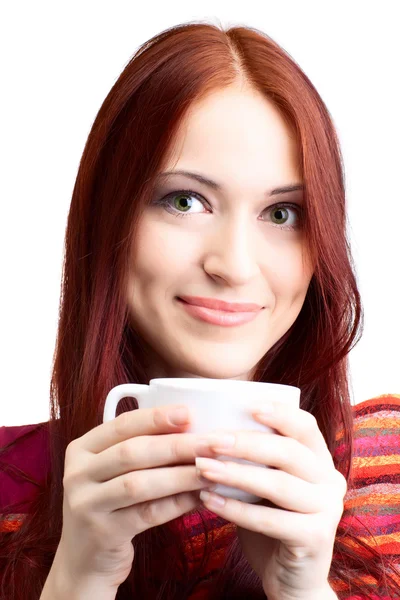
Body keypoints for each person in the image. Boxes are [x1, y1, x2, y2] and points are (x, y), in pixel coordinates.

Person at [0, 20, 399, 600]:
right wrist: (76, 582)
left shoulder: (386, 467)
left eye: (283, 213)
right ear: (109, 219)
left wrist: (303, 590)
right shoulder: (10, 485)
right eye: (185, 201)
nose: (234, 265)